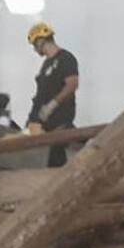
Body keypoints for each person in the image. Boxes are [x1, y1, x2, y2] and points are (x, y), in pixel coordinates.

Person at [26, 22, 79, 168]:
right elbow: (41, 93)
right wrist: (33, 118)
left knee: (56, 159)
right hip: (47, 123)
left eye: (34, 45)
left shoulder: (66, 59)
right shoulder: (46, 64)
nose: (35, 50)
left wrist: (52, 104)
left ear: (40, 41)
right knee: (55, 158)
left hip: (60, 120)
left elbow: (72, 84)